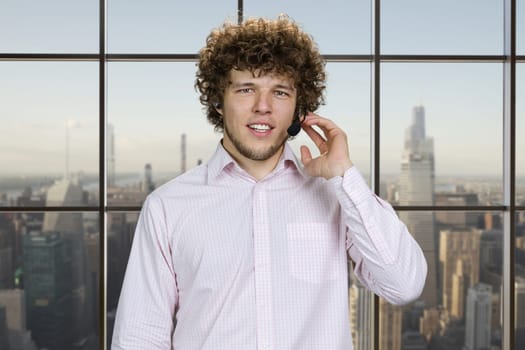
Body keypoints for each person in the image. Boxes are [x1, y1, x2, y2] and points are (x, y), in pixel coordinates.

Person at [111, 15, 427, 350]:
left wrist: (344, 175)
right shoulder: (167, 207)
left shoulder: (335, 195)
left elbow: (404, 285)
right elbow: (139, 336)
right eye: (246, 89)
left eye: (279, 92)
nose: (263, 107)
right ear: (219, 100)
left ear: (297, 108)